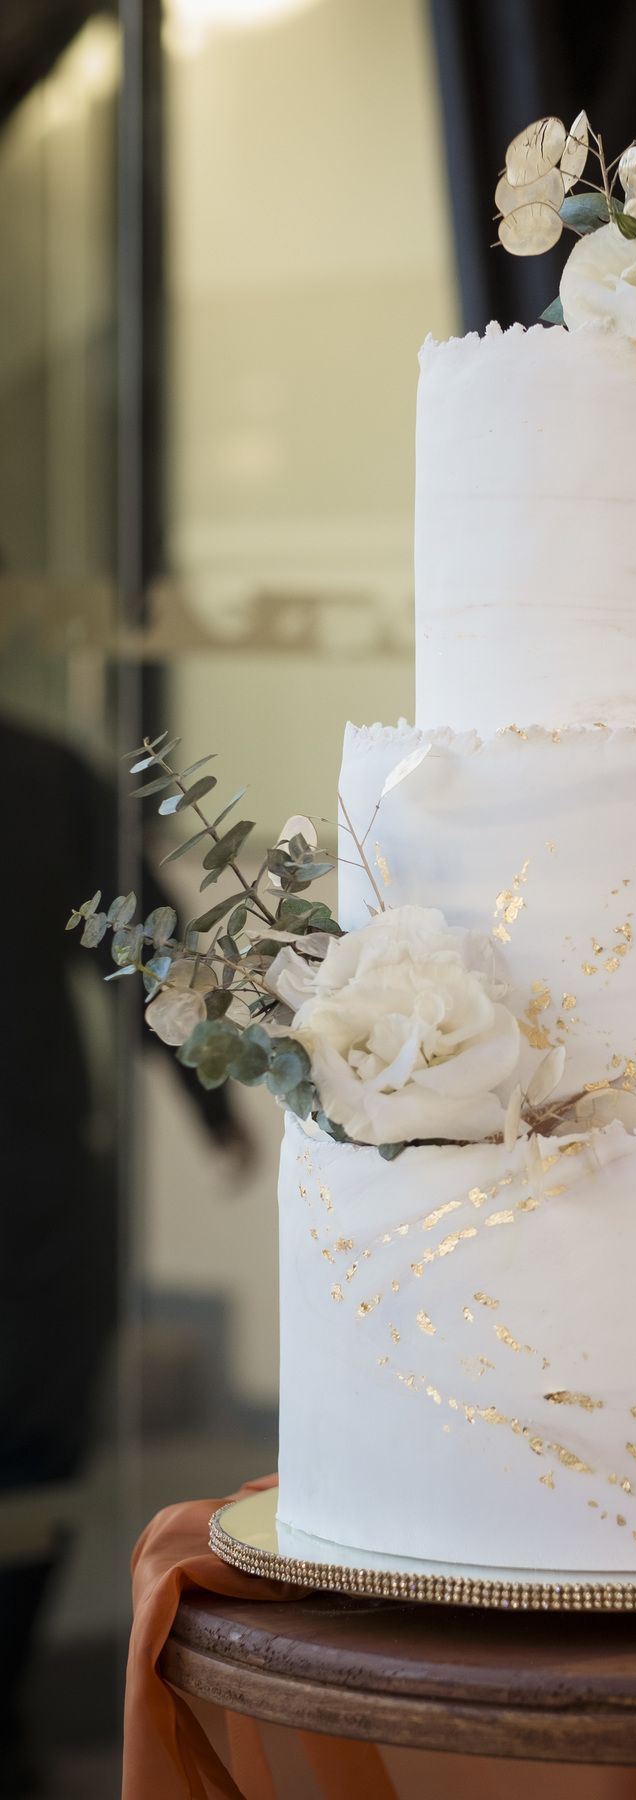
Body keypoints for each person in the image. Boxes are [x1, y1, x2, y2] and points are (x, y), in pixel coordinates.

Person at [0, 715, 251, 1798]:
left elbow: (144, 942)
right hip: (33, 1183)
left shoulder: (36, 772)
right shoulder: (34, 770)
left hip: (31, 1185)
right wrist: (211, 1103)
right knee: (32, 1452)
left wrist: (212, 1102)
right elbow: (148, 944)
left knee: (37, 1454)